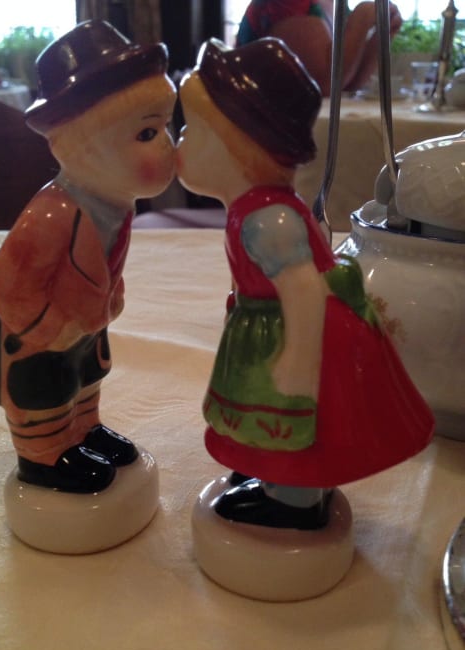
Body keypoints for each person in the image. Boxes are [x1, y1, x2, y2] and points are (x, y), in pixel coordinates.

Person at [177, 37, 433, 530]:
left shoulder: (267, 220)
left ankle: (294, 500)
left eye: (192, 130)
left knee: (294, 417)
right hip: (269, 327)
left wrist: (296, 363)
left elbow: (302, 293)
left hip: (299, 335)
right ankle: (268, 470)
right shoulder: (254, 210)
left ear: (237, 145)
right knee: (266, 410)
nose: (179, 142)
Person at [0, 20, 176, 494]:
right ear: (81, 146)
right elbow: (9, 291)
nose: (169, 145)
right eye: (148, 133)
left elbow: (106, 260)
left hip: (83, 323)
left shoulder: (113, 203)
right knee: (43, 389)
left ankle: (84, 429)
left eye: (165, 128)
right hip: (32, 336)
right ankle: (43, 455)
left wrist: (109, 297)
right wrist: (50, 328)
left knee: (85, 375)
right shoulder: (50, 217)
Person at [236, 0, 402, 95]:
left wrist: (382, 34)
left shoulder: (336, 5)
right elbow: (322, 84)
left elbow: (348, 84)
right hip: (255, 132)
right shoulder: (290, 3)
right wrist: (362, 17)